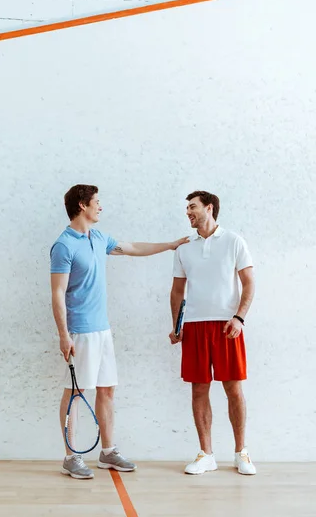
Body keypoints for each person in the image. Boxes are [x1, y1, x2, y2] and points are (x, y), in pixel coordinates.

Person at [51, 184, 188, 479]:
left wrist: (169, 245)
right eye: (96, 202)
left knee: (107, 390)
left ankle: (108, 451)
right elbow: (57, 293)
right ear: (81, 205)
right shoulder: (63, 245)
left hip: (103, 330)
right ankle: (70, 456)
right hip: (80, 331)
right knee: (75, 392)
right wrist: (64, 334)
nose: (100, 207)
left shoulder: (99, 239)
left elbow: (134, 248)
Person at [169, 190, 256, 476]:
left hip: (227, 326)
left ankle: (241, 452)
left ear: (209, 208)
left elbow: (249, 283)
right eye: (187, 208)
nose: (188, 212)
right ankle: (206, 454)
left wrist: (239, 318)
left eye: (192, 207)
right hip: (194, 326)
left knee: (233, 389)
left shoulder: (234, 241)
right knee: (199, 389)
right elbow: (177, 290)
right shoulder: (184, 248)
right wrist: (177, 326)